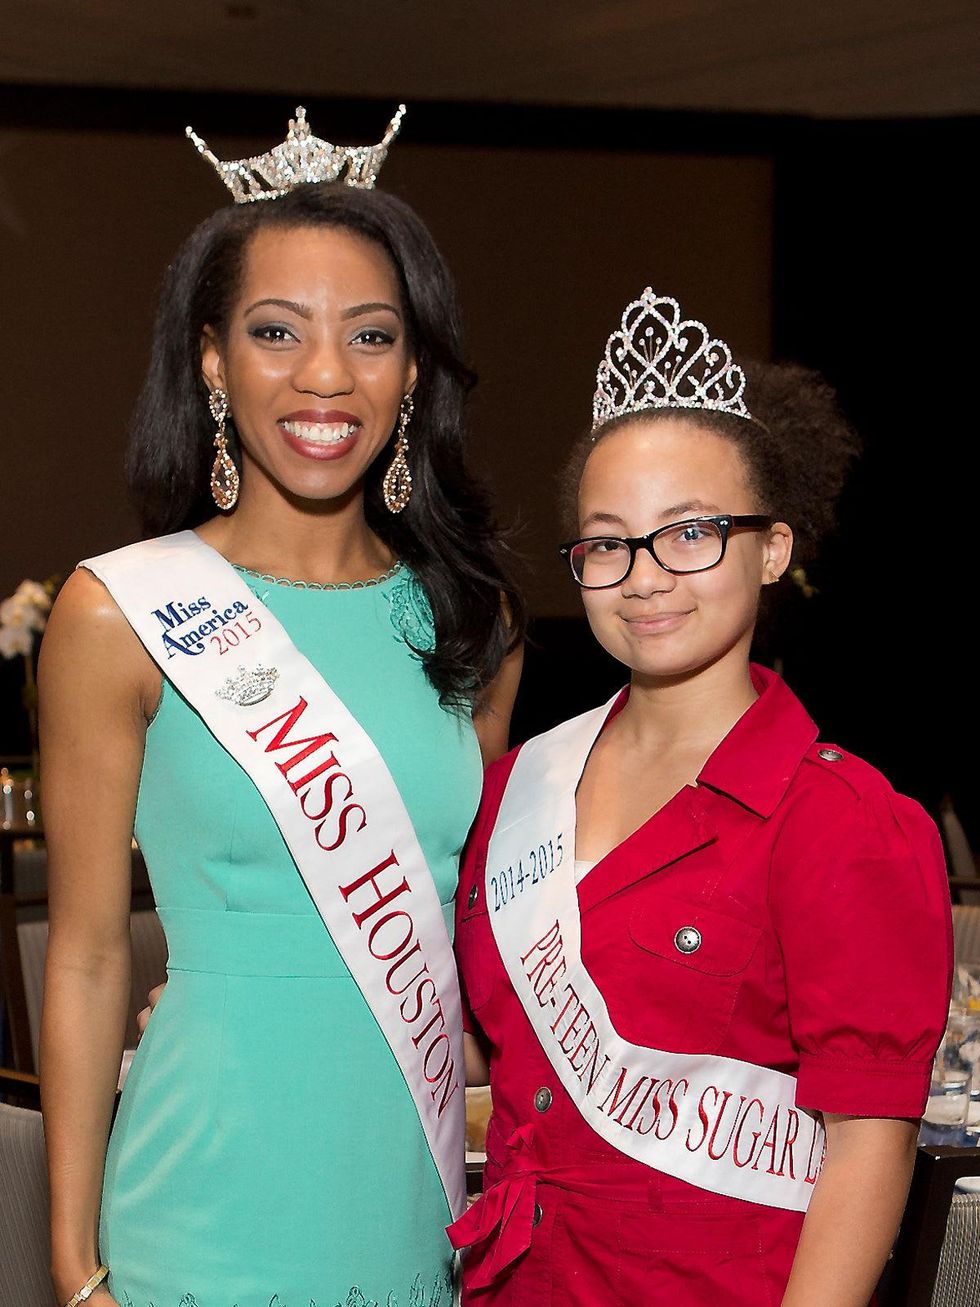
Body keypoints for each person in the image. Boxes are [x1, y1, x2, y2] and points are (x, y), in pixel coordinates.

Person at [38, 107, 523, 1307]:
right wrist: (72, 1258)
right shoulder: (121, 613)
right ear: (210, 359)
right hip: (200, 1199)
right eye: (274, 331)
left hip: (407, 1189)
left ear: (412, 370)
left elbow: (460, 928)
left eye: (370, 335)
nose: (324, 376)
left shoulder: (475, 623)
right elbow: (92, 955)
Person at [449, 287, 952, 1305]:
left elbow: (867, 1148)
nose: (644, 577)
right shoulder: (515, 788)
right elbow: (486, 1045)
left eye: (690, 533)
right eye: (607, 541)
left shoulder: (841, 825)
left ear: (772, 547)